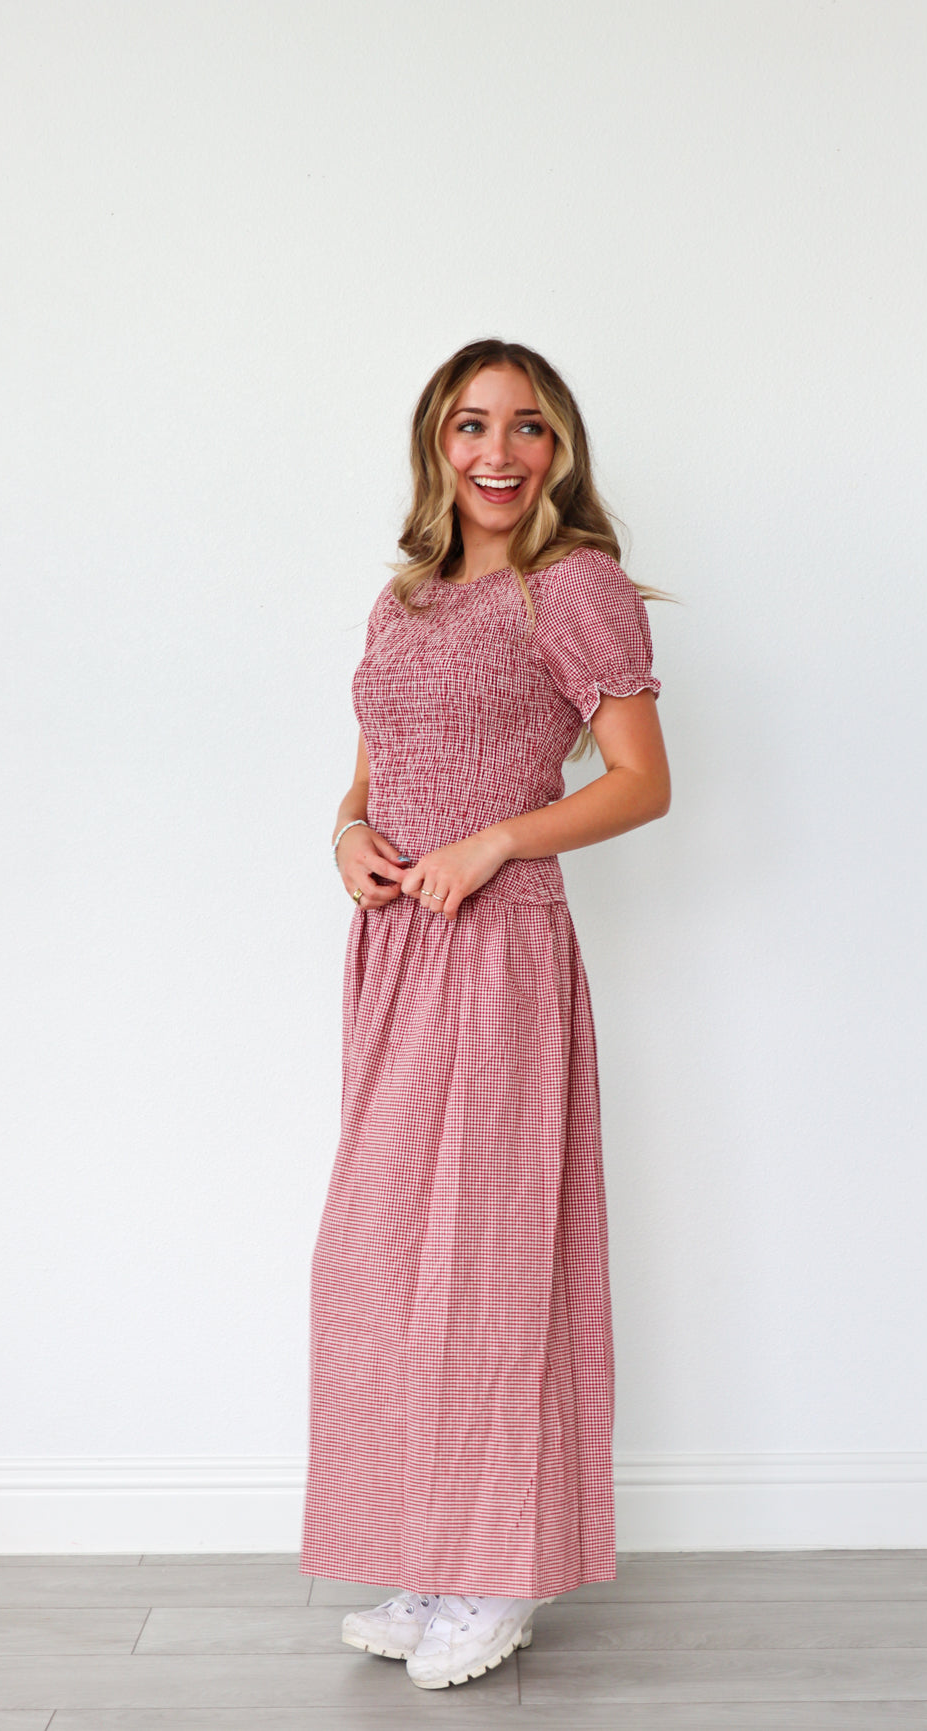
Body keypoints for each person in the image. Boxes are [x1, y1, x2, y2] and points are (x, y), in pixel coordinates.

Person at [299, 337, 671, 1691]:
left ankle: (497, 1578)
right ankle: (430, 1555)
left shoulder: (569, 587)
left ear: (555, 445)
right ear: (435, 445)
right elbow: (368, 778)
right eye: (470, 427)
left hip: (496, 950)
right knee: (384, 1264)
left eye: (524, 427)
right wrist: (345, 839)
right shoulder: (402, 601)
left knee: (487, 1259)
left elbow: (639, 781)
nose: (497, 454)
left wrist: (498, 843)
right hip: (394, 952)